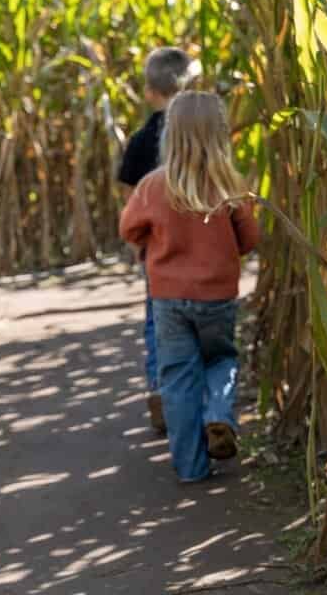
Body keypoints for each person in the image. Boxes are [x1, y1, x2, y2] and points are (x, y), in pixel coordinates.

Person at [119, 92, 261, 483]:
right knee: (221, 360)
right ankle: (218, 415)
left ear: (171, 135)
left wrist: (153, 240)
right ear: (220, 136)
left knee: (178, 377)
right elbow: (249, 239)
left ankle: (190, 467)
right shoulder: (230, 186)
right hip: (218, 297)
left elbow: (128, 227)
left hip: (168, 300)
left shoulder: (152, 185)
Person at [118, 47, 199, 433]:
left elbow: (131, 204)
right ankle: (198, 401)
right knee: (201, 323)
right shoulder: (204, 138)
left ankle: (159, 390)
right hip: (204, 253)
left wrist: (139, 245)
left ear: (150, 91)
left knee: (158, 324)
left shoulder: (140, 140)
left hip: (158, 254)